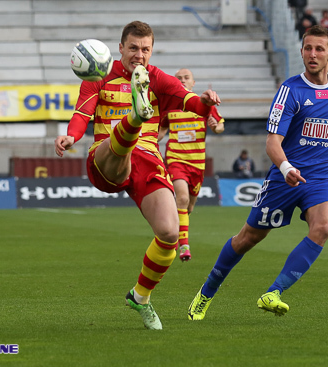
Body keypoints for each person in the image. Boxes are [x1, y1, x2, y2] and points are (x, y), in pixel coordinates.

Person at [188, 25, 328, 321]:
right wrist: (286, 167)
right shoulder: (290, 90)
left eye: (319, 49)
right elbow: (272, 142)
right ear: (301, 51)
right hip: (284, 177)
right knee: (247, 238)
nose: (312, 54)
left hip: (323, 177)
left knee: (324, 226)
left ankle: (273, 293)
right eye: (308, 48)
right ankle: (206, 293)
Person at [55, 21, 220, 330]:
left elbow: (193, 103)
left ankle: (140, 296)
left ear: (151, 50)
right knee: (121, 147)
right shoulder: (100, 75)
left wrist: (207, 102)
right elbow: (81, 114)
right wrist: (71, 137)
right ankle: (135, 116)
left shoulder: (158, 78)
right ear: (121, 49)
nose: (139, 55)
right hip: (106, 159)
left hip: (148, 160)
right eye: (133, 48)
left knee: (169, 235)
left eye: (145, 49)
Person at [157, 68, 225, 262]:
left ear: (193, 83)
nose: (182, 80)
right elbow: (161, 131)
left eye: (186, 78)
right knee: (182, 198)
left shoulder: (204, 104)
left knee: (188, 208)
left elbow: (220, 126)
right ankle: (184, 245)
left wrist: (215, 126)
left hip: (197, 164)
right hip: (176, 159)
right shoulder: (170, 107)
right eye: (178, 78)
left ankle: (174, 229)